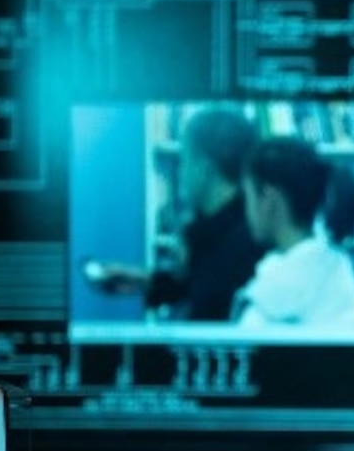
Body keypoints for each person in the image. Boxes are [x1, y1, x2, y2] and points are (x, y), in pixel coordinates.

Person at [87, 107, 266, 321]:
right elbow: (195, 284)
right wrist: (141, 280)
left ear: (205, 167)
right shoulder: (212, 230)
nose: (181, 171)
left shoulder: (247, 241)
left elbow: (210, 299)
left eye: (185, 160)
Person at [232, 136, 354, 336]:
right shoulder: (335, 266)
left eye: (247, 197)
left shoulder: (273, 299)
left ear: (268, 199)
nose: (245, 211)